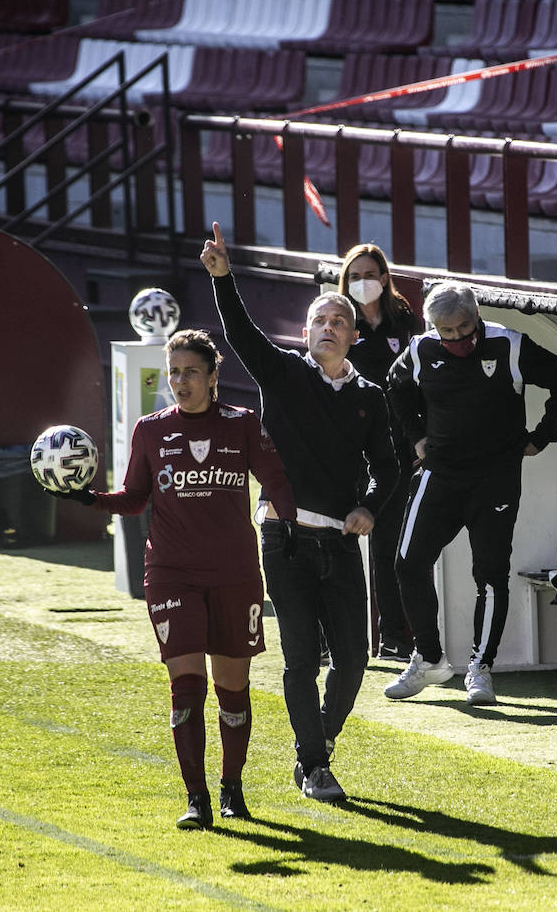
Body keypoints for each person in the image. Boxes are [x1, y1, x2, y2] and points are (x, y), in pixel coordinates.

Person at [50, 329, 295, 828]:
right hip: (170, 575)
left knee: (233, 687)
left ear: (212, 377)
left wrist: (290, 531)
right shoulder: (151, 430)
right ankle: (196, 799)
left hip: (234, 574)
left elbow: (278, 483)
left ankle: (232, 789)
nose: (180, 382)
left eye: (190, 372)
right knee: (186, 685)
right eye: (174, 372)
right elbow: (136, 497)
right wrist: (90, 499)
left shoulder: (243, 425)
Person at [201, 223, 398, 804]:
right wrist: (224, 280)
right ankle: (315, 767)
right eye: (321, 320)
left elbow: (389, 468)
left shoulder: (370, 396)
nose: (330, 328)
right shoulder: (284, 374)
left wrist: (367, 507)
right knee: (301, 660)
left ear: (354, 335)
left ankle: (317, 746)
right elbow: (240, 334)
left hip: (339, 540)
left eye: (340, 321)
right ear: (306, 332)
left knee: (354, 660)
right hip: (283, 537)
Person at [383, 282, 557, 706]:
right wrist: (416, 436)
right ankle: (430, 658)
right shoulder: (420, 350)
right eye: (446, 331)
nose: (456, 338)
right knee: (408, 562)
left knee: (489, 573)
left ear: (477, 317)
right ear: (432, 326)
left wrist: (542, 437)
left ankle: (481, 667)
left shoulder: (508, 345)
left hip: (496, 477)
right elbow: (394, 387)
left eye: (464, 327)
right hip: (440, 473)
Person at [338, 242, 424, 662]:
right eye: (354, 277)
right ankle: (338, 635)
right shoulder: (340, 322)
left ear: (385, 277)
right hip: (350, 448)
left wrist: (421, 436)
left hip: (396, 451)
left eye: (369, 275)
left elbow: (423, 380)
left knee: (391, 544)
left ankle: (393, 635)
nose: (362, 284)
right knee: (339, 542)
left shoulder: (406, 321)